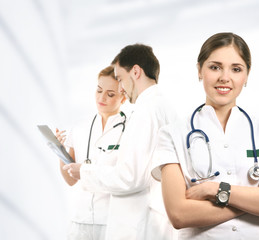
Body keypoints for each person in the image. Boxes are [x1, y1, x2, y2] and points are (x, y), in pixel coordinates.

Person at [151, 32, 259, 239]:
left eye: (236, 69)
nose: (225, 77)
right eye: (215, 67)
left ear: (247, 75)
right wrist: (258, 197)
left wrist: (215, 190)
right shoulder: (172, 134)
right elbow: (179, 215)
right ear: (199, 70)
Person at [63, 44, 178, 239]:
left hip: (140, 223)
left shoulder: (145, 111)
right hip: (153, 220)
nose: (121, 87)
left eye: (120, 79)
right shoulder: (162, 106)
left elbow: (129, 177)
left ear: (135, 71)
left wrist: (84, 171)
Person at [56, 65, 127, 240]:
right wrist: (59, 150)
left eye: (110, 94)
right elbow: (70, 179)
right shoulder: (79, 127)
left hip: (112, 222)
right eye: (99, 90)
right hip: (80, 221)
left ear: (123, 97)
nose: (101, 98)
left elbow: (127, 178)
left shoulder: (130, 130)